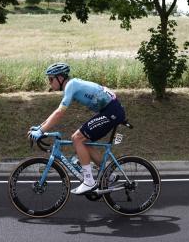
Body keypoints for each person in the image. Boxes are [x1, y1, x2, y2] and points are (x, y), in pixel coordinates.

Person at [28, 62, 126, 195]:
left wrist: (41, 131)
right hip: (110, 110)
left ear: (60, 78)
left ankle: (89, 181)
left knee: (77, 138)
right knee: (83, 140)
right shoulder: (72, 85)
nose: (49, 83)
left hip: (111, 110)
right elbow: (57, 111)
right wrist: (40, 127)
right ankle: (109, 174)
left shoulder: (71, 85)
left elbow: (59, 113)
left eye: (51, 79)